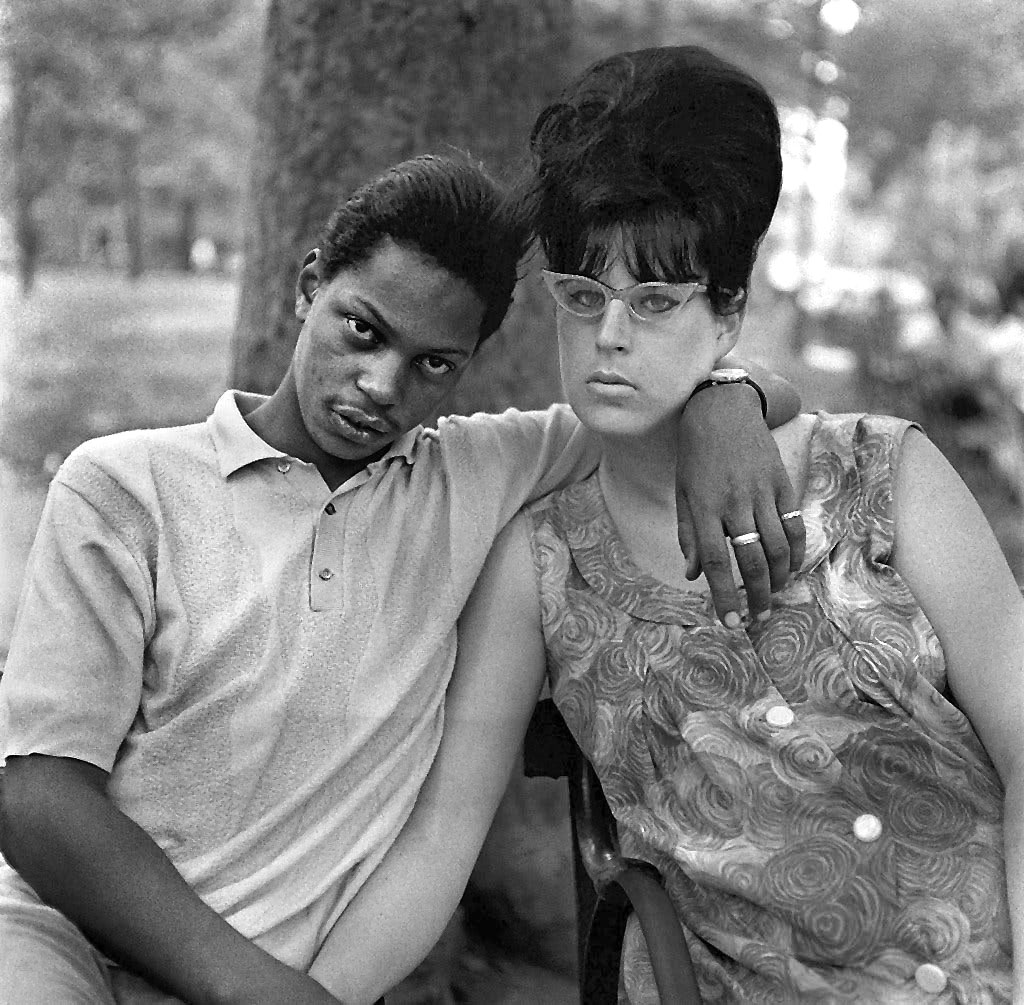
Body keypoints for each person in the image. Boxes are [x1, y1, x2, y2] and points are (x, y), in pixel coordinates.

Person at [0, 153, 803, 1003]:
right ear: (309, 284)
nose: (380, 385)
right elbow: (40, 795)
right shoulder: (124, 487)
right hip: (69, 948)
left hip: (291, 971)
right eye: (363, 329)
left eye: (433, 365)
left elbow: (691, 399)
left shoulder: (477, 472)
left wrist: (726, 398)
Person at [312, 48, 1024, 1003]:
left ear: (728, 313)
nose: (610, 336)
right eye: (581, 297)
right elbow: (439, 841)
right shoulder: (543, 563)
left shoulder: (885, 476)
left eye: (654, 302)